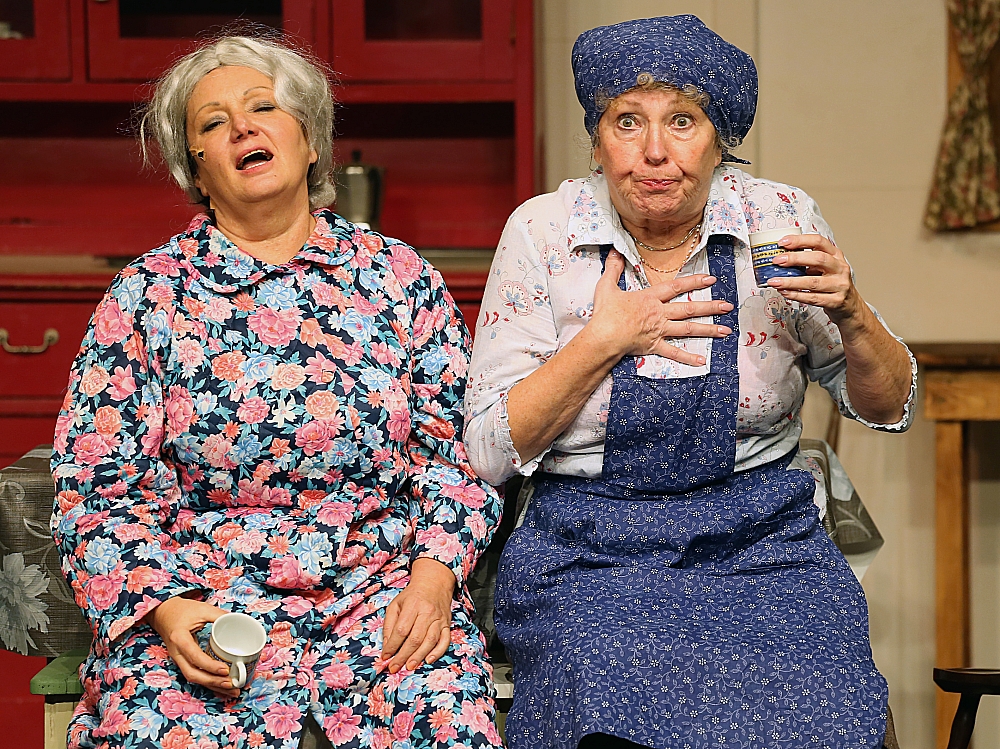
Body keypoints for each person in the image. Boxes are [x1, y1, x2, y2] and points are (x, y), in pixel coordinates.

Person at [463, 15, 914, 749]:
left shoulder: (778, 218)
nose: (654, 151)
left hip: (762, 542)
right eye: (626, 121)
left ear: (719, 139)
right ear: (596, 139)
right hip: (589, 551)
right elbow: (486, 451)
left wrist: (854, 313)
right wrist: (603, 342)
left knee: (825, 692)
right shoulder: (544, 233)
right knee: (603, 684)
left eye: (682, 121)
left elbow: (890, 406)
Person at [51, 35, 503, 749]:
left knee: (448, 726)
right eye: (213, 122)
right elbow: (95, 486)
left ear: (311, 141)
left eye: (263, 107)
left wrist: (433, 576)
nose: (242, 127)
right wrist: (168, 611)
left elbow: (454, 457)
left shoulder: (400, 278)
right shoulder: (146, 296)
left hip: (378, 594)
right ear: (196, 169)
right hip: (208, 603)